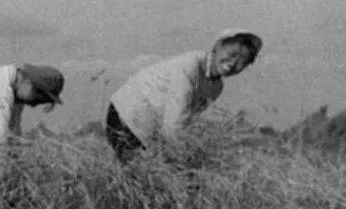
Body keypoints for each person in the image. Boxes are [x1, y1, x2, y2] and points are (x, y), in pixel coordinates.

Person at [105, 29, 263, 164]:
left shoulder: (216, 87)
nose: (233, 62)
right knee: (140, 176)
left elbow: (187, 120)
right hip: (125, 117)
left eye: (243, 61)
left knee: (146, 176)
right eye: (232, 53)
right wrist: (182, 157)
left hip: (149, 126)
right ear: (217, 47)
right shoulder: (189, 67)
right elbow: (173, 124)